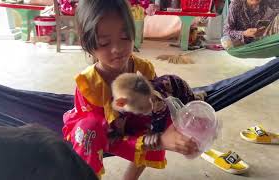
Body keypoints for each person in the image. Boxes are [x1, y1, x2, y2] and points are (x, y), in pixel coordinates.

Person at [62, 0, 198, 179]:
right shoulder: (89, 85)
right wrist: (160, 141)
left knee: (160, 107)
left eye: (125, 37)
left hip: (132, 124)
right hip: (101, 133)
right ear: (88, 45)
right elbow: (109, 137)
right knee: (89, 129)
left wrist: (171, 131)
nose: (117, 49)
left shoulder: (143, 69)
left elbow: (155, 113)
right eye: (104, 43)